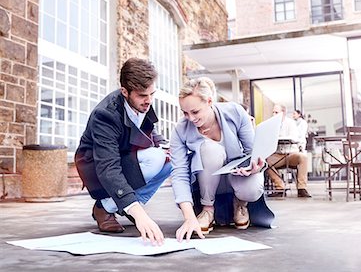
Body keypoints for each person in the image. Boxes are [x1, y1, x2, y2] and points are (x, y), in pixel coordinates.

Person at [75, 58, 171, 245]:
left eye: (152, 94)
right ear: (125, 92)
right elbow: (108, 167)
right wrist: (137, 211)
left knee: (169, 159)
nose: (149, 101)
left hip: (123, 157)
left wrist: (165, 145)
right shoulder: (105, 115)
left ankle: (126, 207)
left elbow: (150, 133)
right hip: (96, 165)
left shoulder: (142, 103)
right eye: (143, 95)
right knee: (154, 159)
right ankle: (104, 207)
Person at [170, 77, 274, 242]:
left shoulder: (235, 112)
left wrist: (255, 167)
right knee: (209, 148)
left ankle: (240, 204)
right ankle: (207, 210)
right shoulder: (181, 130)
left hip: (239, 177)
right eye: (185, 112)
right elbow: (179, 173)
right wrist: (189, 217)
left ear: (209, 101)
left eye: (195, 112)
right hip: (207, 184)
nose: (190, 118)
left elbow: (253, 152)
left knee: (252, 188)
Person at [266, 104, 311, 198]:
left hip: (291, 153)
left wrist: (279, 139)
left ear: (283, 113)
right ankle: (280, 187)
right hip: (277, 154)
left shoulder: (291, 123)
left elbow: (294, 137)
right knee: (264, 162)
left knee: (303, 157)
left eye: (276, 112)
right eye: (273, 112)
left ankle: (302, 188)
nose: (274, 114)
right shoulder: (270, 125)